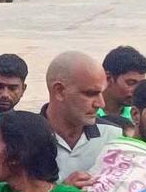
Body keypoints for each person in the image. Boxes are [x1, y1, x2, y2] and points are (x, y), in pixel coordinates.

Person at [43, 51, 123, 184]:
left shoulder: (113, 136)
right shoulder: (24, 138)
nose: (100, 104)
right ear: (59, 91)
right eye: (90, 93)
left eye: (101, 93)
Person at [100, 46, 146, 120]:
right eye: (131, 83)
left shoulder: (138, 117)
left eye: (141, 84)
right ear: (108, 78)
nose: (137, 90)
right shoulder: (85, 114)